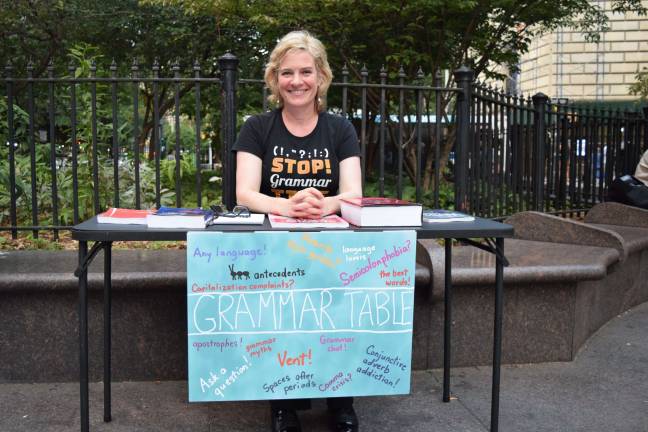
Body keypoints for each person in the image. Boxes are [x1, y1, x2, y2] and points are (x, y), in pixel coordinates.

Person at [232, 31, 362, 432]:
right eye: (287, 72)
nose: (297, 81)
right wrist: (287, 206)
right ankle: (284, 404)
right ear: (275, 79)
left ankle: (341, 400)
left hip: (330, 249)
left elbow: (353, 192)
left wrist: (327, 204)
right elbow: (244, 193)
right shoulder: (257, 128)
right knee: (282, 319)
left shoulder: (340, 129)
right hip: (275, 249)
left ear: (321, 76)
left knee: (338, 317)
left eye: (306, 71)